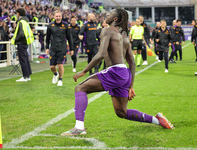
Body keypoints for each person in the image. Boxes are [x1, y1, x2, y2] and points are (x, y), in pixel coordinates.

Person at [61, 8, 174, 136]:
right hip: (124, 74)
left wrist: (84, 71)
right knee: (121, 112)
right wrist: (130, 85)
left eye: (110, 14)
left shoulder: (107, 30)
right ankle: (157, 120)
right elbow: (131, 62)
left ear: (115, 19)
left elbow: (101, 54)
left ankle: (79, 127)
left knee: (80, 88)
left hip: (114, 72)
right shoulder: (124, 35)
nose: (107, 15)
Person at [46, 10, 74, 86]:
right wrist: (47, 48)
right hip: (53, 48)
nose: (58, 18)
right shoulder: (50, 26)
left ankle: (60, 80)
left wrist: (71, 49)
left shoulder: (65, 26)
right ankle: (55, 74)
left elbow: (69, 38)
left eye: (59, 16)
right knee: (52, 66)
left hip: (62, 48)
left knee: (60, 64)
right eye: (57, 16)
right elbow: (47, 38)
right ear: (54, 17)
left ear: (61, 17)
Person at [11, 8, 34, 82]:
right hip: (25, 42)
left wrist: (15, 40)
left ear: (18, 13)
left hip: (21, 42)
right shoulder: (25, 21)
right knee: (26, 59)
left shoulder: (21, 22)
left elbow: (21, 34)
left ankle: (25, 76)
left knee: (23, 60)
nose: (16, 14)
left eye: (16, 13)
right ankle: (28, 75)